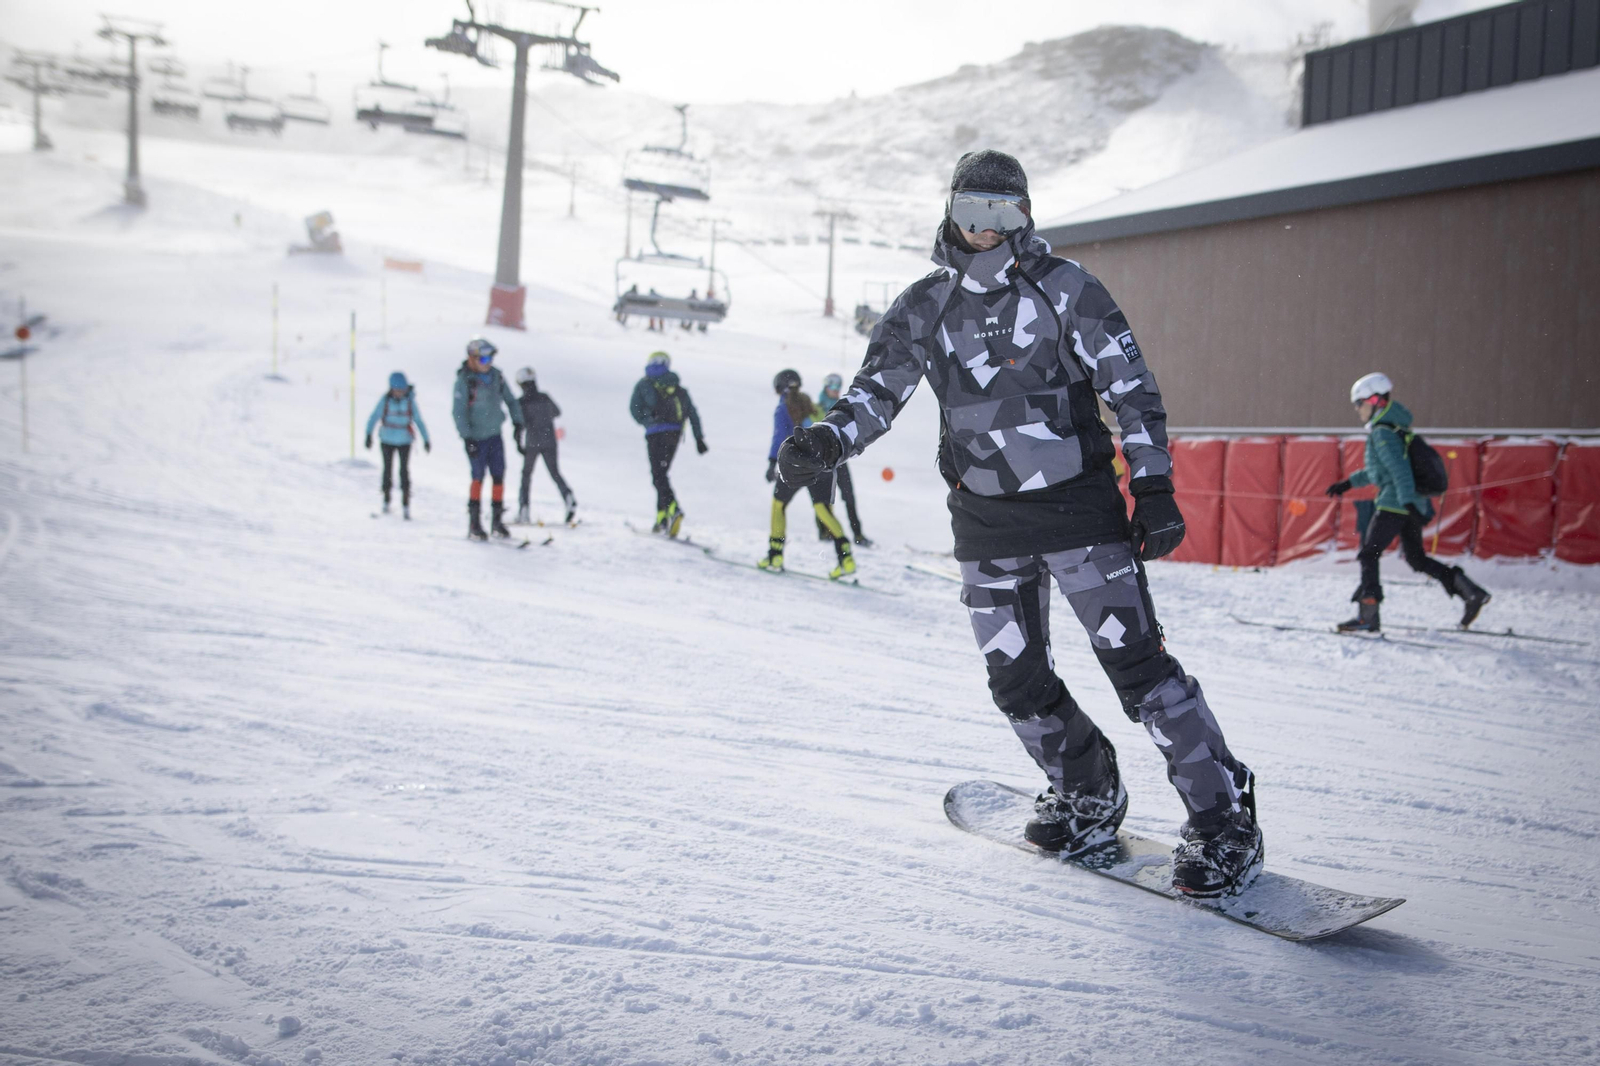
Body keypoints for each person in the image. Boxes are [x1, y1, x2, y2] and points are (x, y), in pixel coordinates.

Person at [778, 150, 1260, 898]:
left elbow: (1131, 390)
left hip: (1080, 515)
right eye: (973, 212)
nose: (986, 230)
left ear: (1026, 217)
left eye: (1003, 214)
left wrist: (1154, 484)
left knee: (1138, 673)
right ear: (950, 213)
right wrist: (826, 440)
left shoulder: (1067, 289)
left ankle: (1224, 819)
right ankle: (1086, 789)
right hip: (984, 523)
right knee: (1015, 677)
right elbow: (876, 393)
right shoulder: (923, 306)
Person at [1326, 372, 1489, 632]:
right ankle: (1469, 591)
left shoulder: (1382, 432)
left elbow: (1399, 471)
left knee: (1369, 553)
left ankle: (1368, 613)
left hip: (1395, 502)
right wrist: (1348, 483)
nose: (1358, 411)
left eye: (1360, 405)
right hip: (1409, 502)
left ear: (1375, 400)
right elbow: (1381, 471)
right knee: (1416, 559)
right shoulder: (1396, 428)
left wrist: (1405, 502)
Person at [761, 369, 855, 579]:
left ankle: (775, 554)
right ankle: (846, 557)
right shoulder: (807, 402)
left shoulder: (782, 407)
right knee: (823, 510)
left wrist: (771, 463)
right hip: (819, 462)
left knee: (779, 505)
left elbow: (780, 437)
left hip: (795, 464)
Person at [451, 336, 524, 541]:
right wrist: (466, 437)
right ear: (472, 358)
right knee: (478, 477)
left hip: (494, 435)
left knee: (499, 476)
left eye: (490, 359)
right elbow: (458, 412)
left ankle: (497, 521)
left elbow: (510, 400)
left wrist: (518, 422)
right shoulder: (464, 381)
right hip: (476, 438)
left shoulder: (497, 377)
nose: (488, 363)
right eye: (483, 360)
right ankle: (474, 523)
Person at [628, 351, 707, 536]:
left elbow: (634, 409)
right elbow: (692, 413)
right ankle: (662, 518)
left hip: (656, 434)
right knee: (662, 473)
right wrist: (699, 438)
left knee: (658, 475)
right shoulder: (677, 386)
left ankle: (672, 509)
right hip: (674, 434)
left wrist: (647, 420)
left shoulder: (644, 384)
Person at [513, 366, 577, 525]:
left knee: (526, 474)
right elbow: (557, 412)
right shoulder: (544, 397)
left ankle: (524, 509)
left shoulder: (521, 402)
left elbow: (519, 423)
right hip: (549, 439)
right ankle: (568, 497)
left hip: (532, 441)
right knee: (555, 472)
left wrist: (518, 442)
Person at [814, 372, 872, 547]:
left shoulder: (840, 406)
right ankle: (824, 531)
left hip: (840, 459)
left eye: (838, 387)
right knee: (823, 498)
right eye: (832, 386)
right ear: (825, 387)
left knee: (848, 497)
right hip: (824, 462)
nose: (835, 391)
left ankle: (858, 534)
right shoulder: (817, 408)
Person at [364, 371, 431, 519]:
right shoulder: (386, 400)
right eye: (397, 389)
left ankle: (406, 503)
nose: (400, 392)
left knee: (404, 471)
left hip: (405, 441)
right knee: (387, 470)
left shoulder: (409, 401)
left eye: (402, 390)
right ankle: (386, 499)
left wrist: (426, 439)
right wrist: (368, 434)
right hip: (387, 440)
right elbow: (375, 416)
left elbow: (419, 421)